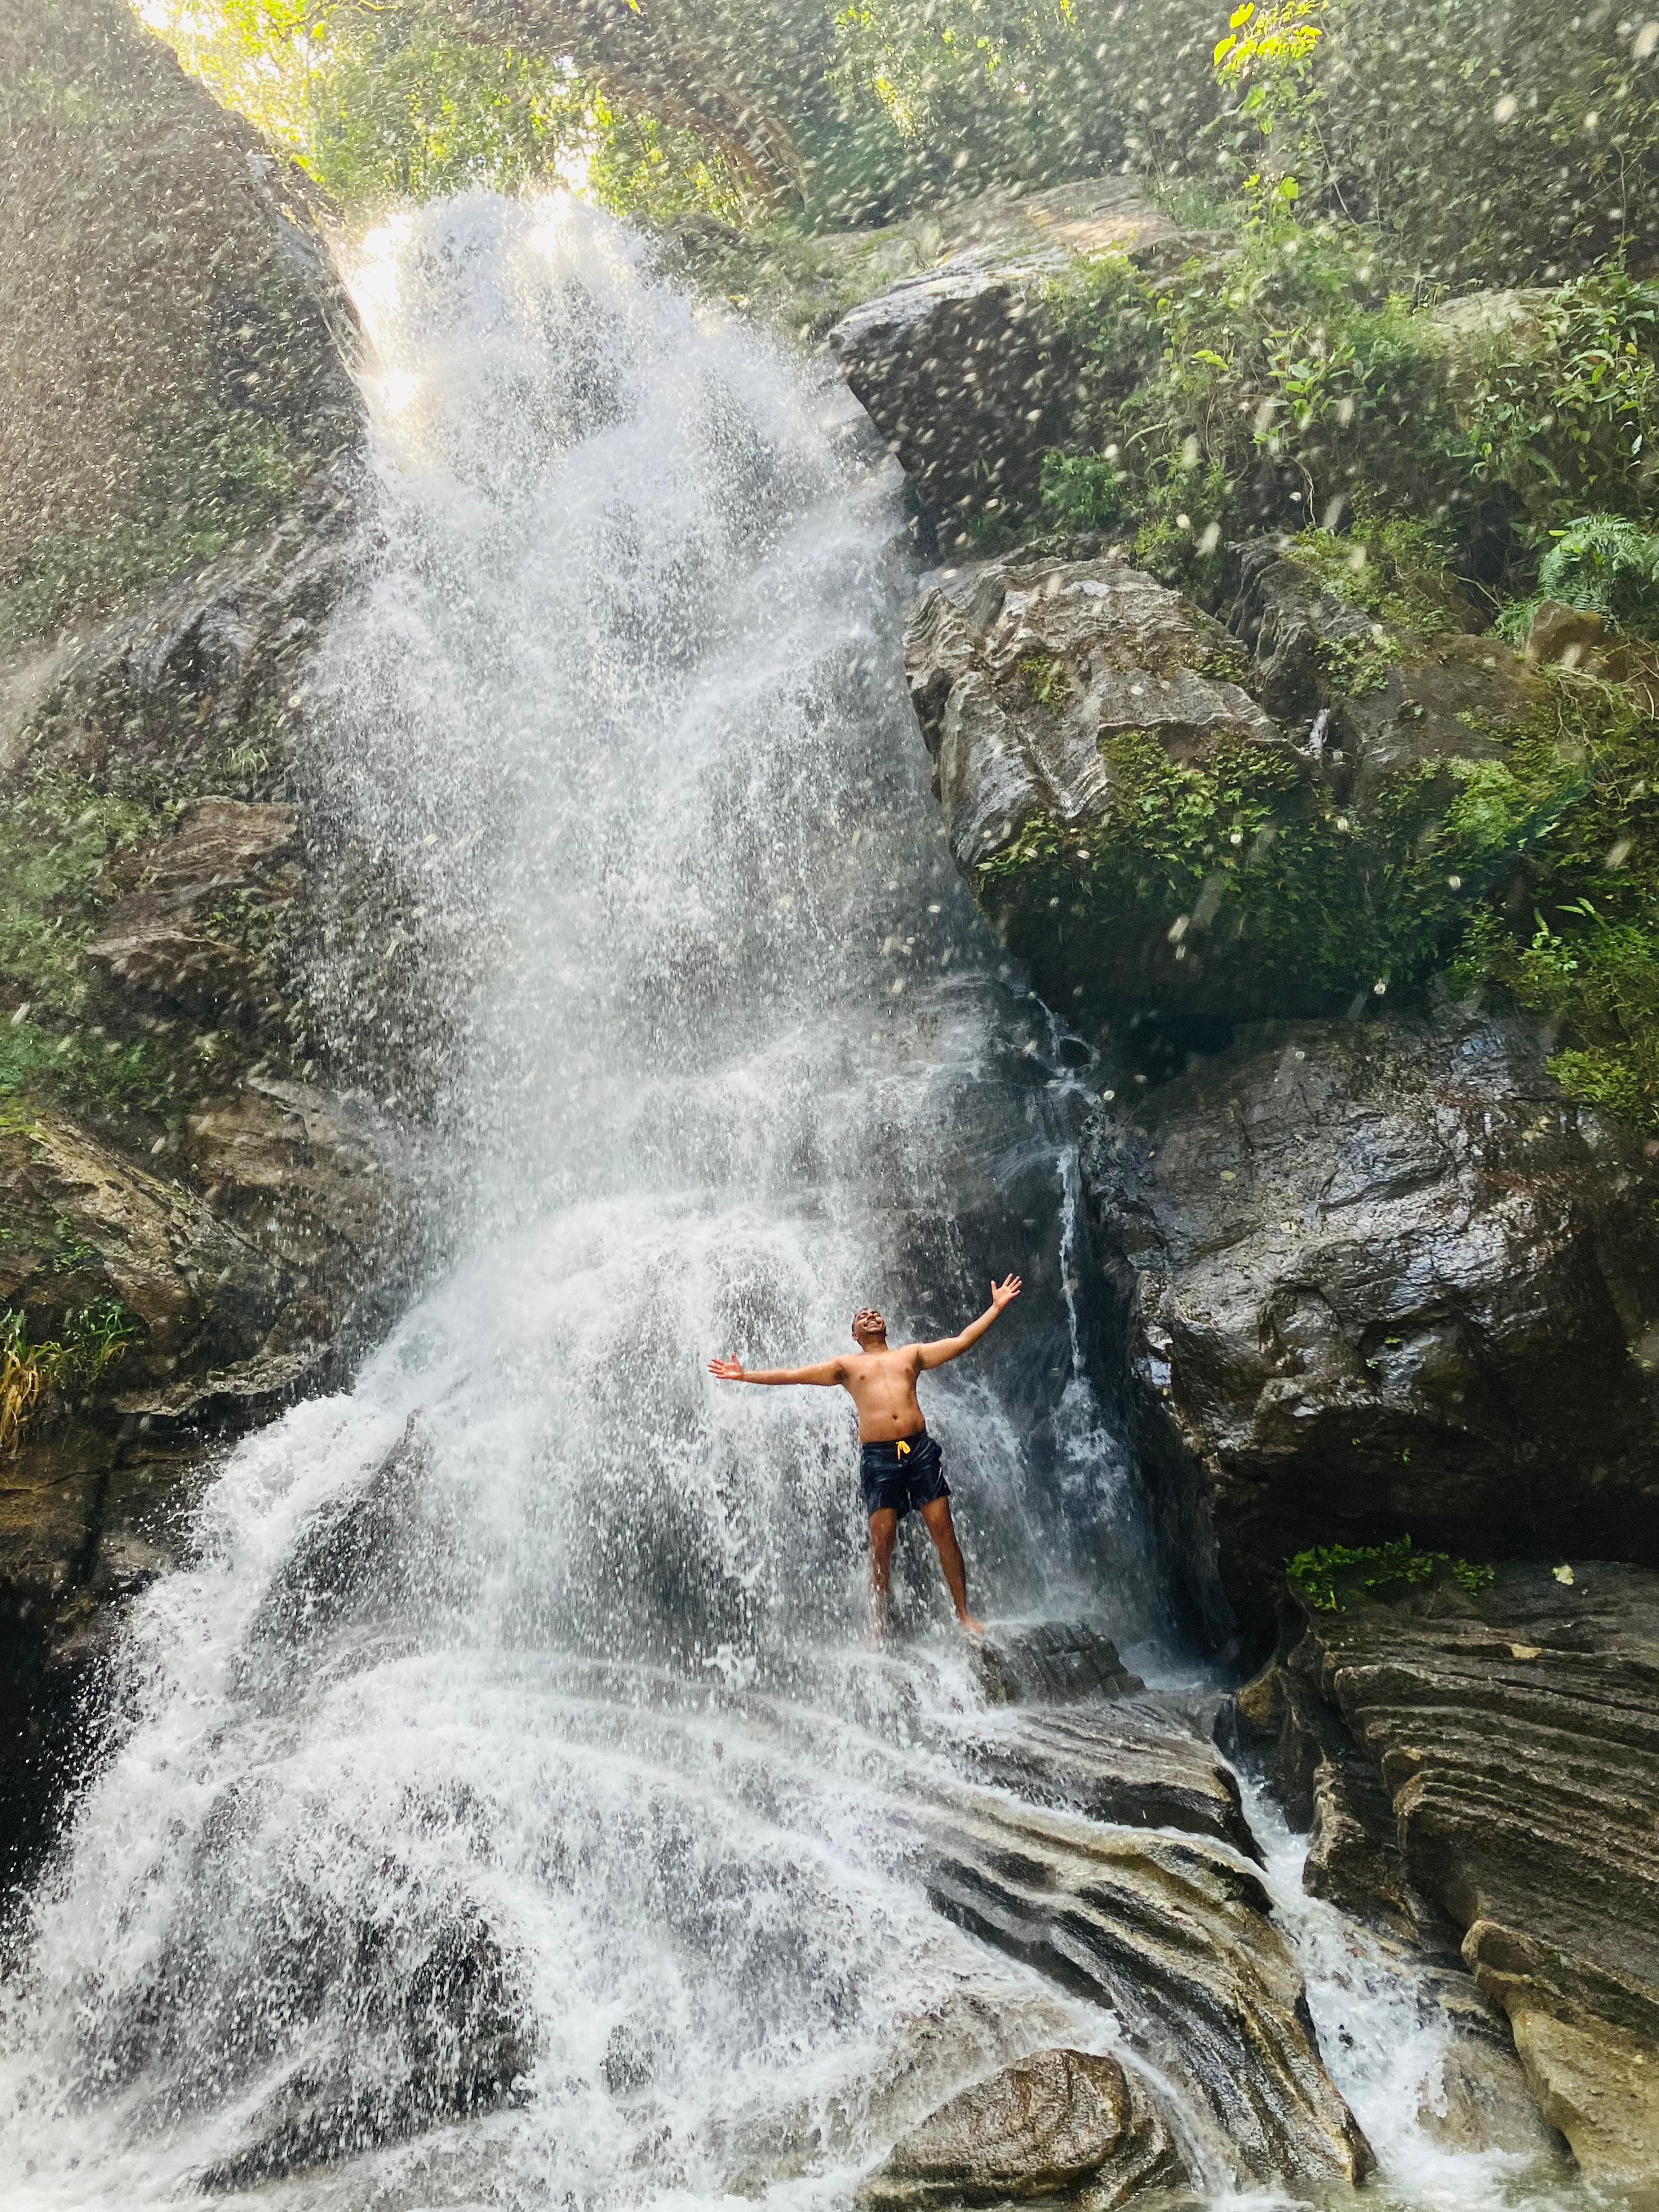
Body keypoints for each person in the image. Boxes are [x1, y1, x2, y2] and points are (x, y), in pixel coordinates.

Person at [707, 1276, 1022, 1638]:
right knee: (882, 1543)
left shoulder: (912, 1355)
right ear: (856, 1335)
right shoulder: (846, 1366)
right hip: (880, 1458)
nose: (871, 1317)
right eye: (862, 1317)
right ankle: (876, 1627)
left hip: (919, 1450)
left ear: (885, 1325)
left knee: (944, 1531)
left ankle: (964, 1614)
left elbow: (962, 1341)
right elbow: (793, 1375)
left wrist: (995, 1308)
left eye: (875, 1313)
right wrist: (746, 1375)